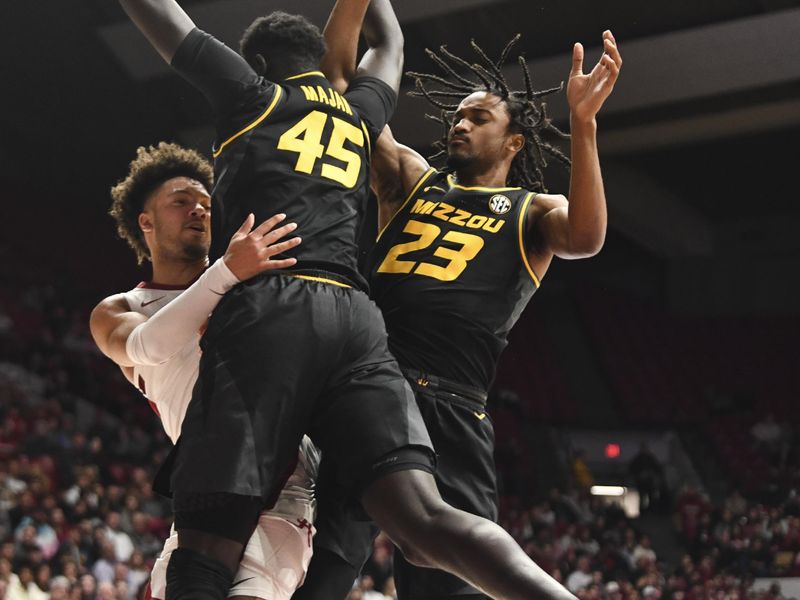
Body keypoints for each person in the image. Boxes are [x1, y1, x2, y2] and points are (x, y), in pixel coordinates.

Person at [116, 1, 577, 599]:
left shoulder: (254, 95)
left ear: (258, 62)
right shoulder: (361, 112)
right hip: (359, 323)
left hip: (272, 304)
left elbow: (168, 22)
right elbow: (391, 45)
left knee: (209, 539)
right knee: (425, 522)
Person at [300, 9, 622, 599]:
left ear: (514, 139)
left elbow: (587, 236)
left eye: (478, 117)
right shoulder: (411, 179)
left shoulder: (533, 208)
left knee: (445, 586)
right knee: (319, 567)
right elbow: (336, 90)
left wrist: (583, 123)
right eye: (456, 115)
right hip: (371, 383)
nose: (460, 124)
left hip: (451, 403)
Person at [89, 142, 318, 600]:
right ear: (146, 222)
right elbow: (148, 345)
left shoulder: (248, 282)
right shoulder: (120, 308)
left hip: (286, 475)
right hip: (205, 485)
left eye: (205, 205)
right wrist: (226, 274)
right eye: (181, 202)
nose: (198, 210)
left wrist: (232, 273)